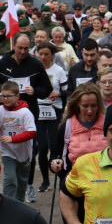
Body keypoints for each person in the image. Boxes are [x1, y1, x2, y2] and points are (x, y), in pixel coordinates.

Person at [50, 84, 107, 224]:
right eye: (85, 106)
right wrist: (55, 165)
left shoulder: (108, 124)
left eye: (94, 105)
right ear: (76, 105)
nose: (90, 110)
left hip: (103, 194)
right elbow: (55, 157)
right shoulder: (66, 127)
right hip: (73, 194)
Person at [0, 32, 53, 121]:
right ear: (14, 46)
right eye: (20, 48)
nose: (23, 52)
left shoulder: (36, 65)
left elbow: (47, 88)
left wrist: (35, 91)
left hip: (29, 111)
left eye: (26, 48)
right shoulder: (3, 63)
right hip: (7, 112)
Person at [0, 80, 37, 203]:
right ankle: (7, 205)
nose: (6, 99)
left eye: (9, 96)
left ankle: (19, 205)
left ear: (17, 96)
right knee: (10, 179)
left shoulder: (25, 112)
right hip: (8, 152)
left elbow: (32, 132)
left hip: (24, 153)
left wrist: (12, 139)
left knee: (22, 182)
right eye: (3, 96)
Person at [33, 42, 69, 197]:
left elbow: (67, 92)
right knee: (42, 147)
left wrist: (58, 94)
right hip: (39, 110)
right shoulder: (34, 70)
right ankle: (45, 181)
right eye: (40, 53)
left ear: (52, 54)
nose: (43, 57)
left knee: (55, 146)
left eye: (46, 54)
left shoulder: (59, 71)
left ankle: (58, 176)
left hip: (55, 111)